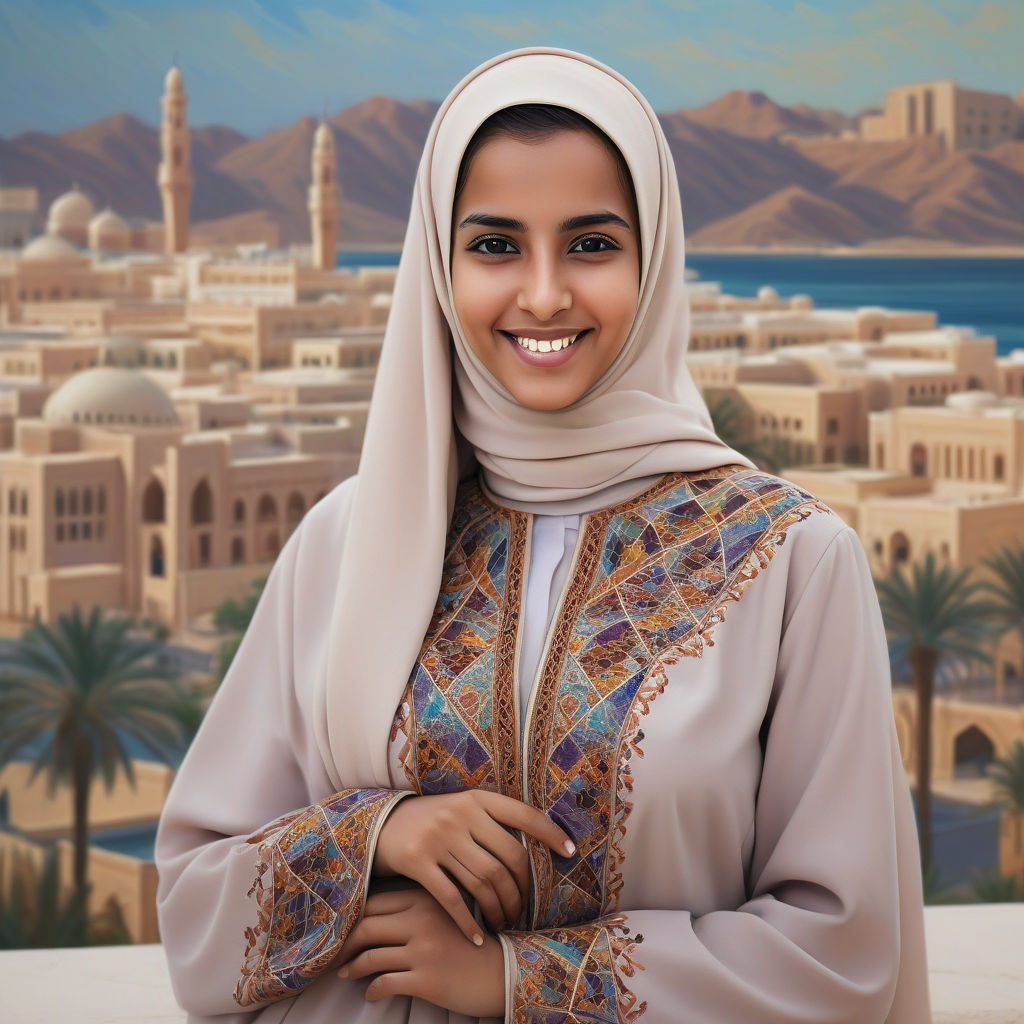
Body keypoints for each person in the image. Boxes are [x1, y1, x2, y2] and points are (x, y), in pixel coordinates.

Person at [155, 47, 931, 1023]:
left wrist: (521, 980)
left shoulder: (789, 560)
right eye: (493, 246)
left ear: (653, 263)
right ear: (438, 266)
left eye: (592, 244)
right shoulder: (349, 541)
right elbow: (195, 906)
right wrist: (378, 834)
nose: (544, 294)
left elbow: (842, 949)